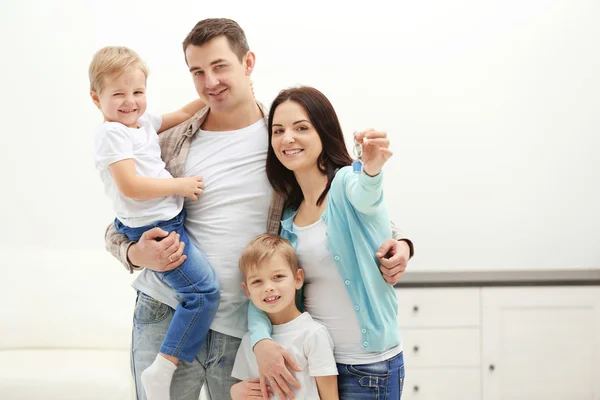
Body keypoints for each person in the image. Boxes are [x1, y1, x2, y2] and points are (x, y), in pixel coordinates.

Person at [104, 18, 413, 400]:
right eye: (198, 72)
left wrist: (400, 242)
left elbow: (339, 201)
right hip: (167, 309)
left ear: (248, 62)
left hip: (243, 326)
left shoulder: (281, 140)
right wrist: (136, 252)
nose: (210, 82)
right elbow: (121, 222)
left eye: (220, 66)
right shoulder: (168, 141)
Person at [248, 86, 405, 399]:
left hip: (368, 369)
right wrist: (259, 340)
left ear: (324, 132)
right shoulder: (288, 218)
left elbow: (367, 195)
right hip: (317, 367)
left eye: (301, 128)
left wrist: (371, 170)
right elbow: (262, 285)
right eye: (278, 130)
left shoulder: (347, 184)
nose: (287, 138)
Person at [89, 46, 219, 400]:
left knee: (200, 292)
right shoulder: (111, 134)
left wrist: (208, 96)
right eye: (118, 94)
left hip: (165, 218)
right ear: (95, 98)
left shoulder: (140, 123)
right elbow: (130, 185)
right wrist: (179, 185)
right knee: (203, 294)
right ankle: (163, 368)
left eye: (138, 92)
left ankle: (165, 365)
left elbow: (181, 113)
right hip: (155, 229)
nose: (130, 102)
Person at [230, 234, 338, 400]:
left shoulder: (313, 335)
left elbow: (330, 397)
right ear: (247, 291)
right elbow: (246, 389)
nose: (268, 287)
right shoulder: (250, 341)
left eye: (278, 277)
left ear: (297, 279)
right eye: (257, 281)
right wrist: (235, 392)